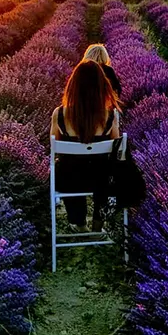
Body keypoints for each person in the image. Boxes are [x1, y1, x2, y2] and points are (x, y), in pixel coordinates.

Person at [50, 60, 121, 231]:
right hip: (102, 182)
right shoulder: (110, 115)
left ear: (73, 86)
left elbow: (53, 148)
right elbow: (117, 150)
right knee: (106, 169)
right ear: (102, 86)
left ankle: (78, 222)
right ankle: (98, 223)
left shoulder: (59, 114)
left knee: (67, 167)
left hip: (69, 181)